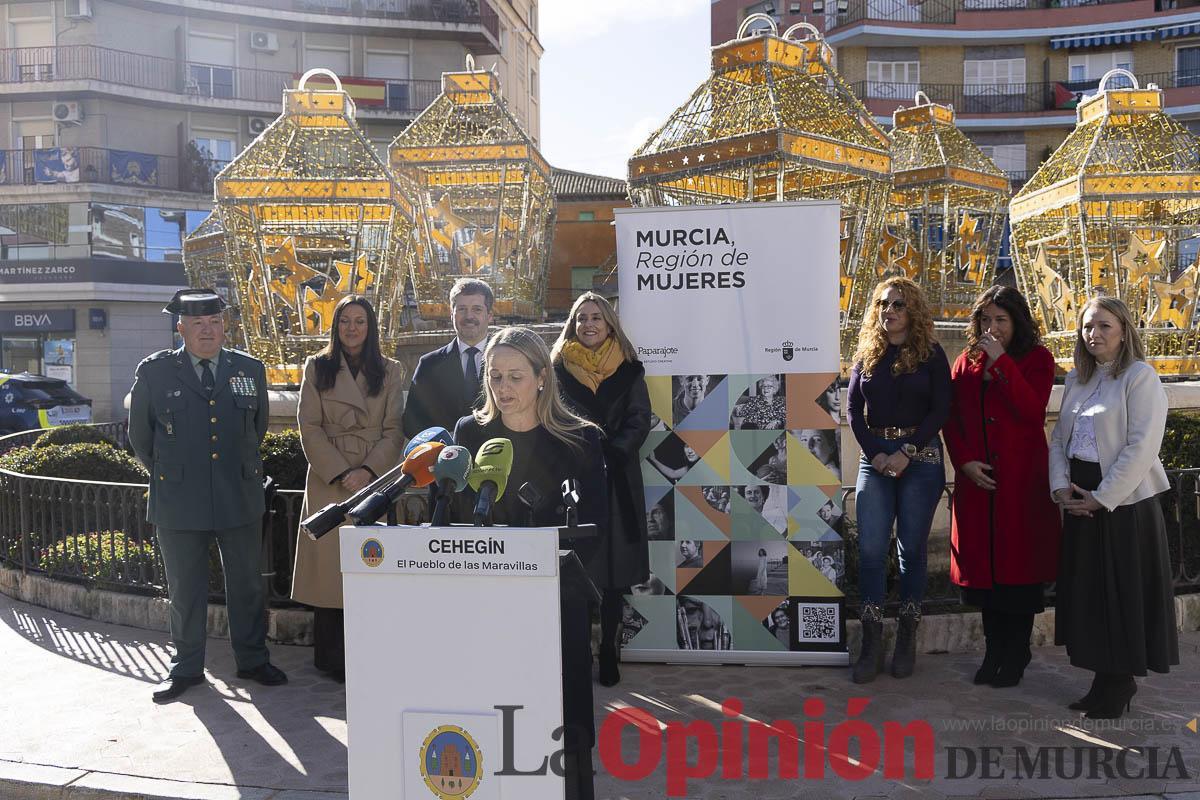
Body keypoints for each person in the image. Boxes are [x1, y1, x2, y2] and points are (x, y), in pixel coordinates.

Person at [451, 326, 606, 798]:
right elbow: (456, 520)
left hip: (556, 603)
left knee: (562, 711)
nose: (503, 388)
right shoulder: (470, 434)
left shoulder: (580, 440)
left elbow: (595, 528)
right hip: (487, 605)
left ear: (542, 378)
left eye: (515, 376)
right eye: (494, 376)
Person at [128, 289, 286, 703]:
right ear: (181, 328)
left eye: (214, 322)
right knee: (185, 589)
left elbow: (259, 426)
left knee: (248, 585)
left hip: (238, 494)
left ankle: (252, 659)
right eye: (197, 323)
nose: (207, 330)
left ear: (225, 325)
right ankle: (186, 668)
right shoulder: (156, 372)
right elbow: (141, 438)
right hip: (179, 500)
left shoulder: (248, 369)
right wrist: (175, 473)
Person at [1049, 296, 1178, 719]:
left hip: (1124, 504)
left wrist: (1102, 498)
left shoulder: (1140, 377)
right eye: (1087, 327)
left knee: (1121, 595)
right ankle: (1103, 679)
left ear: (1123, 329)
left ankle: (1120, 682)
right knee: (1091, 594)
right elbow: (1059, 442)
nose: (1094, 334)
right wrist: (1060, 490)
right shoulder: (1076, 379)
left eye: (1104, 325)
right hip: (1079, 497)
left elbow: (1142, 447)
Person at [942, 287, 1060, 689]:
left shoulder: (1038, 359)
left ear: (1017, 322)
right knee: (986, 579)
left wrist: (1003, 362)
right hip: (979, 483)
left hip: (1021, 484)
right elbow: (952, 419)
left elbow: (1031, 411)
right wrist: (964, 462)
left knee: (1018, 573)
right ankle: (994, 650)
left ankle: (1016, 651)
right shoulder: (964, 362)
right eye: (986, 320)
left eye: (1001, 321)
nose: (992, 329)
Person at [292, 296, 405, 682]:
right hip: (330, 479)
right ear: (335, 326)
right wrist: (343, 472)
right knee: (330, 572)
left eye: (360, 321)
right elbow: (308, 426)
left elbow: (395, 429)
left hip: (373, 479)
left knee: (369, 563)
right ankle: (330, 657)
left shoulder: (391, 370)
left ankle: (370, 652)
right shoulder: (316, 367)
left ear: (370, 327)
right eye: (345, 321)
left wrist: (369, 470)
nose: (352, 328)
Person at [847, 276, 950, 684]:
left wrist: (906, 451)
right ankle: (871, 644)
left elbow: (941, 409)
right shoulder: (867, 354)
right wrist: (878, 453)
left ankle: (906, 636)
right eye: (882, 304)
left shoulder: (931, 354)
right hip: (875, 462)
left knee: (911, 551)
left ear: (914, 312)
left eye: (898, 305)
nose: (888, 311)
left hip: (920, 461)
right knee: (871, 551)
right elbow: (854, 410)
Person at [551, 292, 651, 687]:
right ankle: (576, 651)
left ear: (610, 324)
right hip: (571, 480)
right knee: (576, 569)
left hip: (616, 480)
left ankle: (609, 648)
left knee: (613, 573)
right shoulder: (556, 370)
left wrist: (613, 453)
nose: (588, 324)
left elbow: (639, 420)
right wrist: (580, 453)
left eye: (596, 317)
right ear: (572, 325)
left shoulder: (629, 370)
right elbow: (551, 418)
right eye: (581, 318)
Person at [402, 278, 493, 438]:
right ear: (452, 314)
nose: (469, 316)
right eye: (462, 309)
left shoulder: (508, 360)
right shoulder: (429, 365)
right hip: (445, 457)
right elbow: (411, 423)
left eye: (477, 309)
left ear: (490, 315)